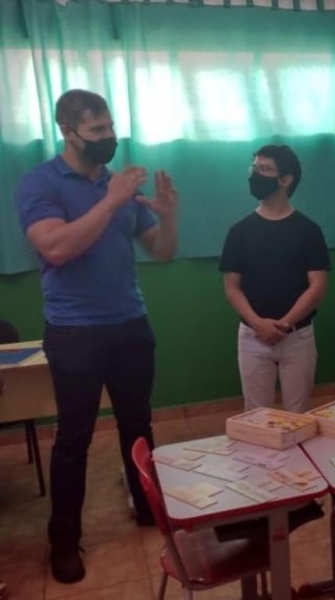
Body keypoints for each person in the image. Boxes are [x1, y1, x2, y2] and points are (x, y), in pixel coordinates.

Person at [14, 89, 179, 584]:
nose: (109, 138)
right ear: (68, 132)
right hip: (73, 332)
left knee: (139, 427)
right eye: (97, 131)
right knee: (74, 440)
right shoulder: (39, 184)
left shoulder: (118, 187)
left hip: (130, 325)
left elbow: (163, 251)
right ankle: (63, 541)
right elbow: (57, 248)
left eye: (111, 128)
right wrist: (109, 202)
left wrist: (168, 215)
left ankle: (149, 509)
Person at [220, 144, 330, 413]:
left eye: (265, 169)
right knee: (256, 416)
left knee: (298, 414)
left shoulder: (309, 230)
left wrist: (284, 324)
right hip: (252, 336)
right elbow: (232, 288)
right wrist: (259, 325)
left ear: (286, 179)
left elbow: (317, 285)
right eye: (254, 168)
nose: (256, 174)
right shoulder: (239, 231)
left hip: (297, 336)